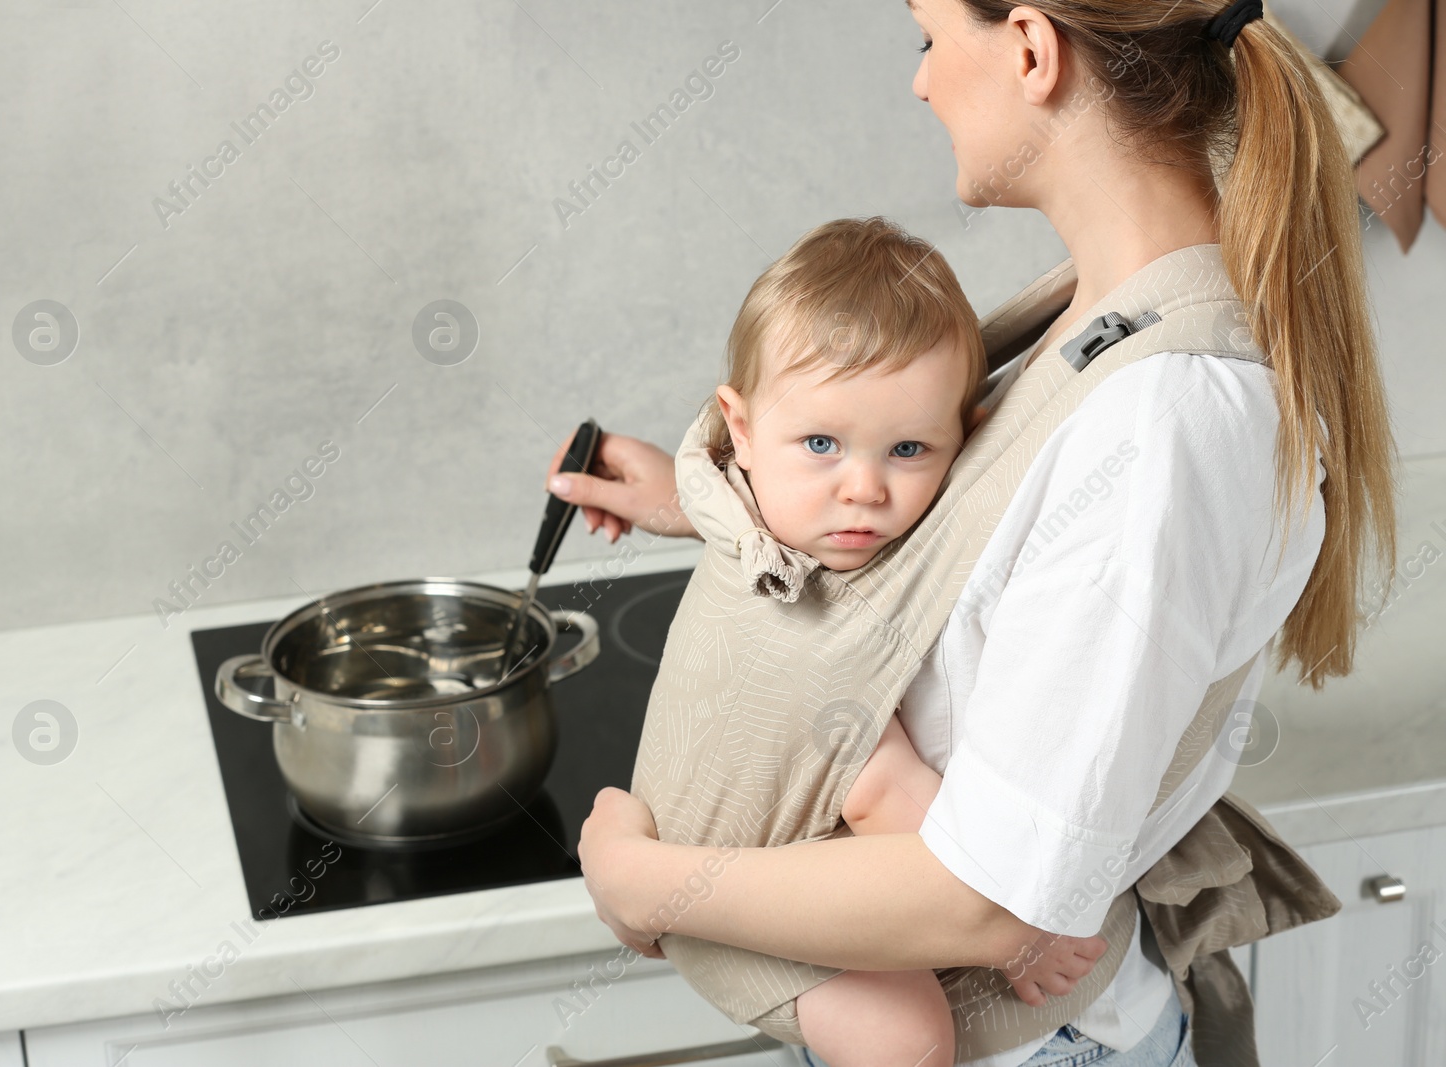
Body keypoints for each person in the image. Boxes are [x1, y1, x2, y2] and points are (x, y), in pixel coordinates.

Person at [548, 0, 1396, 1064]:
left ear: (1032, 49)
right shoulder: (1097, 320)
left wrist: (648, 881)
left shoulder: (1162, 424)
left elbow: (987, 904)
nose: (920, 79)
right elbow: (980, 553)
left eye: (927, 36)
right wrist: (713, 503)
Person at [634, 215, 1105, 1067]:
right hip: (733, 907)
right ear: (738, 428)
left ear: (966, 432)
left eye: (910, 449)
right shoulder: (813, 611)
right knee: (909, 1039)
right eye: (821, 444)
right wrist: (1021, 935)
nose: (864, 490)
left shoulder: (729, 502)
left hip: (682, 858)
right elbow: (881, 793)